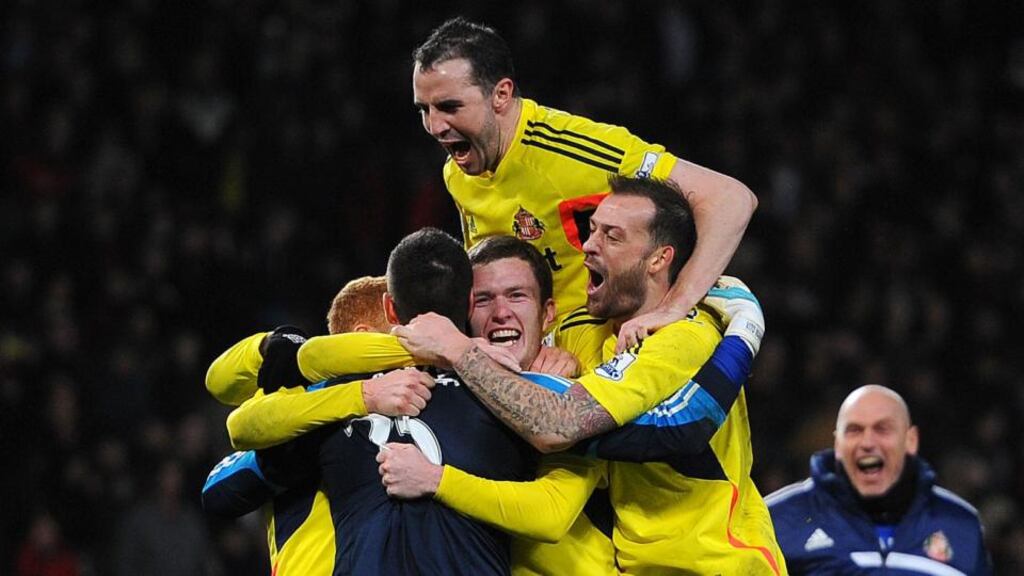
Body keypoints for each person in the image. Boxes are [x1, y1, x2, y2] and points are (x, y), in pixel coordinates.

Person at [396, 176, 783, 574]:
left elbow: (559, 426)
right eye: (592, 230)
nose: (588, 245)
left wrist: (461, 353)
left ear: (658, 259)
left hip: (720, 564)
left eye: (612, 237)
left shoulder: (683, 337)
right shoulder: (587, 330)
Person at [412, 17, 757, 352]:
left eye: (449, 107)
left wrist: (675, 306)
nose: (435, 126)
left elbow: (730, 199)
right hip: (530, 359)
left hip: (608, 355)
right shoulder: (457, 174)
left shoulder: (573, 150)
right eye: (424, 110)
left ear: (501, 94)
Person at [237, 228, 540, 576]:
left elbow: (233, 456)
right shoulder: (519, 395)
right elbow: (553, 512)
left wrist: (361, 396)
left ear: (389, 309)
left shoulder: (333, 398)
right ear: (471, 303)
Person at [201, 275, 433, 576]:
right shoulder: (301, 402)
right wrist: (268, 345)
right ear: (360, 334)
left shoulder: (424, 395)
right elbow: (219, 490)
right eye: (401, 331)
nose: (412, 345)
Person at [765, 385, 992, 575]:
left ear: (910, 440)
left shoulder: (961, 526)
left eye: (882, 429)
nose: (867, 442)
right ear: (837, 444)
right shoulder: (777, 519)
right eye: (854, 430)